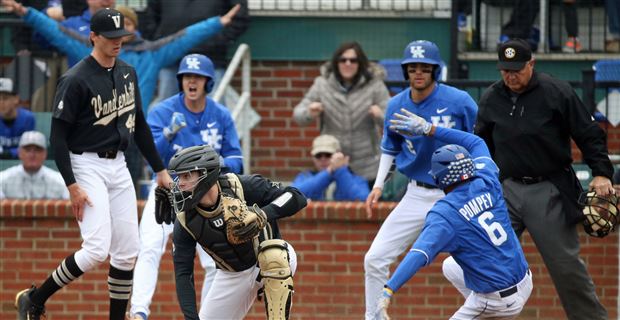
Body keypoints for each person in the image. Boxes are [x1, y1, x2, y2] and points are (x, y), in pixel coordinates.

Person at [14, 8, 173, 320]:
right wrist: (72, 185)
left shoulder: (127, 72)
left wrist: (160, 169)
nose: (118, 42)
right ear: (93, 37)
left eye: (121, 37)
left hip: (118, 165)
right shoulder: (75, 79)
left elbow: (139, 125)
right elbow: (57, 138)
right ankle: (35, 298)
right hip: (85, 163)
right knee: (97, 249)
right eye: (111, 37)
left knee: (128, 251)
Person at [476, 38, 615, 319]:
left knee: (565, 266)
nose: (510, 76)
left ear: (532, 64)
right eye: (505, 70)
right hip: (507, 189)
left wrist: (601, 172)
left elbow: (588, 132)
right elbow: (481, 144)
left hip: (548, 188)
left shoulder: (556, 91)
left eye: (517, 69)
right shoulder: (492, 97)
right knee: (486, 257)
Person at [376, 113, 532, 319]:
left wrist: (389, 289)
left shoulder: (445, 213)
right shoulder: (486, 178)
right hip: (525, 279)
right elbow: (475, 142)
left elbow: (419, 254)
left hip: (496, 301)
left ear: (440, 178)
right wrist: (430, 128)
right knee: (450, 266)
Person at [363, 40, 478, 320]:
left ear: (435, 70)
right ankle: (373, 317)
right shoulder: (396, 105)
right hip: (416, 193)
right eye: (412, 68)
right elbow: (390, 147)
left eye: (425, 68)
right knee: (374, 259)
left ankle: (486, 310)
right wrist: (378, 185)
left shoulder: (459, 101)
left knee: (468, 262)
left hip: (456, 193)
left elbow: (479, 142)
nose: (418, 73)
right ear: (405, 72)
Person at [129, 53, 243, 320]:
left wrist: (217, 163)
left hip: (205, 197)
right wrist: (167, 134)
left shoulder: (221, 114)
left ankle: (208, 316)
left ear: (208, 81)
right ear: (180, 80)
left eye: (198, 77)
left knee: (214, 261)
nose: (192, 82)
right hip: (169, 192)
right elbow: (149, 157)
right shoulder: (163, 111)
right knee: (149, 247)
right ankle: (138, 313)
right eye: (187, 77)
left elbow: (238, 161)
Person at [0, 0, 241, 109]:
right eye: (117, 24)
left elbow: (185, 37)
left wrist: (217, 22)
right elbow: (58, 33)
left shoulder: (151, 54)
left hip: (133, 135)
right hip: (94, 133)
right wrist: (26, 12)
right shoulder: (91, 48)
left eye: (127, 23)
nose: (121, 29)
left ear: (135, 27)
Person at [158, 145, 307, 319]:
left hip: (270, 258)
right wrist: (191, 318)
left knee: (273, 254)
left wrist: (263, 214)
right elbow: (183, 273)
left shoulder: (239, 186)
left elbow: (296, 196)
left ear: (206, 175)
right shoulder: (184, 220)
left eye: (186, 176)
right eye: (178, 177)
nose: (179, 183)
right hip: (232, 275)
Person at [293, 41, 390, 185]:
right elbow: (298, 116)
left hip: (367, 164)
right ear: (336, 62)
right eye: (343, 60)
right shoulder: (322, 84)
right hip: (332, 162)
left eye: (353, 60)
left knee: (363, 205)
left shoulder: (374, 85)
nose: (348, 64)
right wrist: (309, 112)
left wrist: (380, 116)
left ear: (360, 63)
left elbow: (393, 119)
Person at [143, 0, 250, 103]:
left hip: (211, 60)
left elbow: (238, 18)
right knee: (167, 113)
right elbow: (150, 17)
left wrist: (215, 42)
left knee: (213, 113)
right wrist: (162, 42)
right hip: (171, 60)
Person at [292, 134, 369, 201]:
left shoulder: (354, 178)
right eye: (318, 155)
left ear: (338, 155)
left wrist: (341, 170)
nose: (323, 159)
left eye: (328, 155)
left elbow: (362, 199)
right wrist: (328, 171)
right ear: (313, 158)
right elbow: (294, 195)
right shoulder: (305, 176)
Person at [0, 130, 68, 199]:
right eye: (28, 150)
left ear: (45, 154)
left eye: (37, 150)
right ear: (19, 152)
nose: (32, 155)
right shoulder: (3, 179)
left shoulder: (60, 181)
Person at [0, 77, 35, 159]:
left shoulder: (28, 118)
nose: (1, 102)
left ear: (16, 99)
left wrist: (11, 153)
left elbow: (30, 147)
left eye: (5, 98)